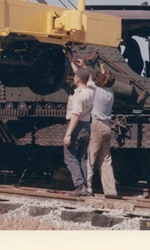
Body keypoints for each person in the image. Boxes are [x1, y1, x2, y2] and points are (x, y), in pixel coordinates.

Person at [63, 56, 95, 196]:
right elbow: (88, 79)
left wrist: (68, 133)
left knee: (70, 157)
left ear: (77, 80)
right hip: (87, 126)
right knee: (83, 158)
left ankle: (79, 185)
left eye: (75, 76)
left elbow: (75, 115)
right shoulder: (91, 91)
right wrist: (80, 66)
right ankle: (87, 188)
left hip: (77, 126)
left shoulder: (78, 96)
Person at [87, 63, 119, 197]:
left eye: (100, 77)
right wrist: (102, 69)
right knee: (106, 159)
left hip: (97, 125)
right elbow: (105, 80)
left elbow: (88, 80)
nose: (97, 78)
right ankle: (111, 190)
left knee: (90, 157)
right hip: (107, 126)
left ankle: (87, 188)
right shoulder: (110, 92)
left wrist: (84, 65)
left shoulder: (96, 90)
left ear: (104, 81)